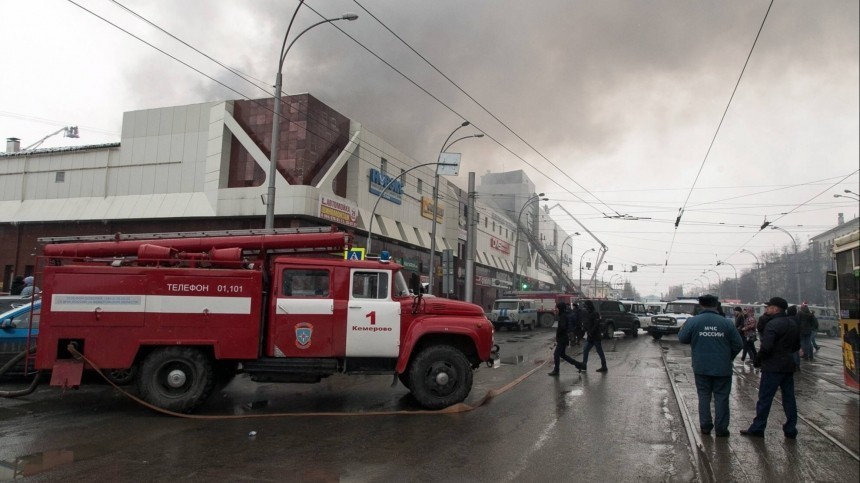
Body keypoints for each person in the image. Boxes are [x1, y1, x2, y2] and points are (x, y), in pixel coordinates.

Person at [678, 295, 743, 437]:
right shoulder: (726, 323)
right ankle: (721, 428)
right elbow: (738, 344)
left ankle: (705, 426)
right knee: (722, 397)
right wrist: (728, 357)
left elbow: (682, 338)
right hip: (722, 367)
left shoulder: (693, 321)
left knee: (703, 396)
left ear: (700, 305)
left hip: (701, 366)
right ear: (716, 305)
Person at [740, 296, 801, 439]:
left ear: (775, 309)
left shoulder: (772, 324)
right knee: (789, 399)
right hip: (788, 366)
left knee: (765, 398)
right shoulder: (792, 323)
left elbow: (766, 346)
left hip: (772, 367)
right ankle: (791, 429)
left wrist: (758, 359)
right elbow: (797, 346)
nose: (766, 309)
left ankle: (758, 428)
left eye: (768, 307)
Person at [548, 302, 585, 375]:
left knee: (556, 354)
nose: (556, 310)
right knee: (562, 355)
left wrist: (558, 333)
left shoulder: (563, 316)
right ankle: (578, 364)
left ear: (560, 308)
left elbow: (563, 326)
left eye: (557, 308)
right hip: (563, 338)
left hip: (562, 338)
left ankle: (556, 371)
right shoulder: (563, 315)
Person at [580, 300, 608, 372]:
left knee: (599, 351)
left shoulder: (595, 313)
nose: (585, 308)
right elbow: (589, 324)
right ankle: (584, 366)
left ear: (589, 306)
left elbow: (596, 324)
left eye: (586, 306)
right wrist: (585, 328)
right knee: (585, 350)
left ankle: (604, 366)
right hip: (590, 337)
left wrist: (591, 332)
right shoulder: (589, 313)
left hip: (595, 337)